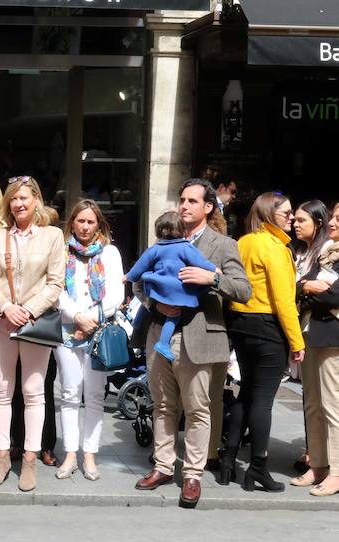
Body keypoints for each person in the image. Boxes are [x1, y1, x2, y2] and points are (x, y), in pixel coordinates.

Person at [133, 179, 250, 510]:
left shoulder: (223, 244)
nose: (184, 206)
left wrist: (210, 278)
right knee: (163, 405)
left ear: (207, 207)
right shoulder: (164, 240)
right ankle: (163, 467)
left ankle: (193, 474)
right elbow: (139, 284)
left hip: (198, 335)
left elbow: (243, 290)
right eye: (181, 200)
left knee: (198, 408)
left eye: (191, 201)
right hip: (160, 332)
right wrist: (156, 305)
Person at [0, 176, 65, 492]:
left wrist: (27, 310)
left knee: (33, 392)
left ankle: (29, 458)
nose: (19, 204)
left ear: (36, 200)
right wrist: (5, 307)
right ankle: (2, 456)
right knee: (1, 390)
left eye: (24, 198)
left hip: (34, 322)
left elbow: (56, 282)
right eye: (14, 199)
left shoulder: (53, 236)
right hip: (1, 322)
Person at [223, 192, 305, 492]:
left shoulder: (244, 242)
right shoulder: (274, 247)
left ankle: (229, 459)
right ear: (270, 214)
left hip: (240, 324)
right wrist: (297, 341)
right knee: (263, 400)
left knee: (246, 393)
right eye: (287, 211)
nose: (292, 216)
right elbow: (284, 301)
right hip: (267, 327)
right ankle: (258, 467)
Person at [54, 199, 124, 481]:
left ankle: (89, 455)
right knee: (69, 394)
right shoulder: (60, 251)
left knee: (94, 395)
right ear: (72, 223)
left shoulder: (110, 253)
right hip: (66, 330)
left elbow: (117, 294)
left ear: (99, 225)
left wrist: (89, 319)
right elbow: (56, 288)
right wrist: (76, 317)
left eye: (90, 221)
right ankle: (70, 453)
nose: (85, 226)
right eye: (80, 221)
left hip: (99, 331)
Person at [126, 211, 217, 362]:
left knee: (151, 304)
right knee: (174, 315)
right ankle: (163, 343)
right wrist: (215, 271)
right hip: (177, 290)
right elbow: (202, 263)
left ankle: (137, 325)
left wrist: (128, 276)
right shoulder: (185, 247)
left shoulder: (156, 248)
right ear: (182, 230)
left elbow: (138, 269)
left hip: (158, 286)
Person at [294, 202, 339, 496]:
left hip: (333, 336)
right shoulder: (325, 253)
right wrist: (308, 289)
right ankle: (319, 464)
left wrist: (308, 290)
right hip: (310, 334)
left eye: (338, 218)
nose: (333, 222)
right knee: (312, 402)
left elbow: (335, 295)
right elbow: (297, 286)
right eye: (333, 216)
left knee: (333, 406)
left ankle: (336, 470)